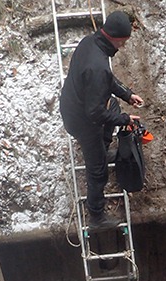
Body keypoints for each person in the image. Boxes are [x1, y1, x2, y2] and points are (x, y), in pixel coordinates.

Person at [59, 11, 144, 230]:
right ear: (116, 38)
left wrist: (126, 94)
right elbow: (95, 113)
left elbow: (106, 78)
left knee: (113, 105)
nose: (123, 46)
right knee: (98, 170)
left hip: (74, 104)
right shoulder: (97, 65)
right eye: (124, 42)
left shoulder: (90, 43)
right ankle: (96, 216)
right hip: (82, 121)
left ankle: (103, 148)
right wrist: (125, 119)